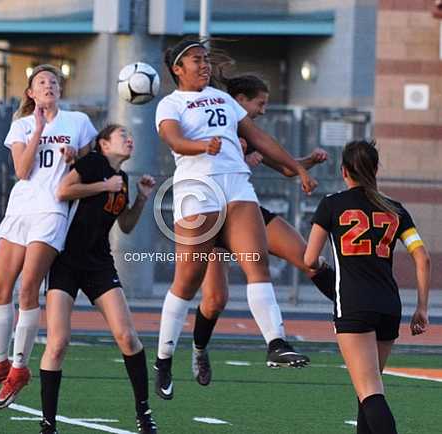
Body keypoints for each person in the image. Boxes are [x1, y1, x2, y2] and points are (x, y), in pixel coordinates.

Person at [153, 39, 318, 401]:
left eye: (205, 60)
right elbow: (175, 140)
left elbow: (259, 137)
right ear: (177, 69)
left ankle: (276, 343)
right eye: (196, 60)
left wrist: (297, 168)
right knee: (189, 281)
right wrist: (202, 146)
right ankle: (164, 358)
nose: (204, 65)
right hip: (198, 189)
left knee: (256, 265)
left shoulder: (224, 98)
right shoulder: (170, 103)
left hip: (236, 185)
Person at [191, 73, 335, 386]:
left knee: (308, 258)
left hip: (246, 212)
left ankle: (351, 307)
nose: (263, 110)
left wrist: (305, 163)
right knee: (215, 299)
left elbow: (283, 166)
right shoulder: (207, 125)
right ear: (239, 100)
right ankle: (199, 349)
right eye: (260, 103)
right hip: (212, 216)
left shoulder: (248, 131)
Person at [0, 64, 97, 409]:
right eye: (41, 82)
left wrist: (78, 157)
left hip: (52, 210)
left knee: (28, 287)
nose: (48, 86)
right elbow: (22, 170)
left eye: (53, 82)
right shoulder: (23, 125)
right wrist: (39, 130)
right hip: (20, 210)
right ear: (30, 93)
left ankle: (19, 368)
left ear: (60, 89)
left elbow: (94, 160)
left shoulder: (78, 122)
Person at [304, 140, 430, 434]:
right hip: (389, 305)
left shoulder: (332, 204)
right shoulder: (395, 209)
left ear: (343, 170)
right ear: (375, 169)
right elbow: (422, 258)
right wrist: (421, 308)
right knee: (367, 391)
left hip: (354, 305)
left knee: (371, 392)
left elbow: (309, 259)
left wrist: (323, 269)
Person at [38, 124, 158, 434]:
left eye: (130, 135)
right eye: (122, 135)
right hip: (66, 261)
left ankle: (144, 414)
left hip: (99, 265)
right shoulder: (92, 163)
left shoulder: (124, 180)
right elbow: (64, 190)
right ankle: (48, 424)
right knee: (58, 343)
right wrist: (104, 186)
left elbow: (127, 225)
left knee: (128, 337)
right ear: (104, 144)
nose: (129, 139)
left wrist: (142, 199)